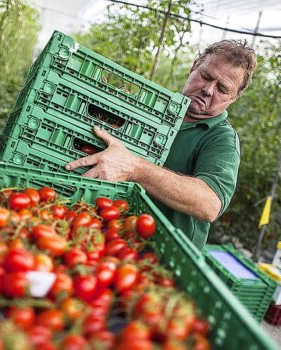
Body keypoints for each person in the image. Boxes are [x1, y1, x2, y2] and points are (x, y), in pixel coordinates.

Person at [65, 40, 257, 250]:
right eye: (206, 76)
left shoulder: (221, 140)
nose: (209, 90)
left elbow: (209, 203)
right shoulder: (154, 110)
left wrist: (135, 168)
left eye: (222, 88)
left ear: (234, 97)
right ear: (194, 67)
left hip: (162, 254)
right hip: (110, 234)